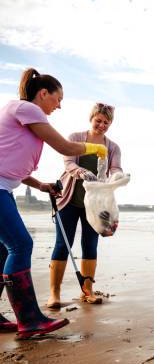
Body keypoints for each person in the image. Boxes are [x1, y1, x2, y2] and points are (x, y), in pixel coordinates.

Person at [0, 68, 107, 338]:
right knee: (21, 244)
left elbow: (14, 167)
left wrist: (41, 185)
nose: (59, 105)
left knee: (3, 250)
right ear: (43, 93)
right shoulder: (27, 108)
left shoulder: (23, 115)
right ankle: (30, 319)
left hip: (5, 187)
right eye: (57, 98)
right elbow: (65, 147)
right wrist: (97, 148)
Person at [46, 103, 122, 308]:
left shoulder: (112, 147)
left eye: (106, 122)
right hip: (69, 199)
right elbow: (69, 163)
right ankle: (54, 293)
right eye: (98, 120)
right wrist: (81, 172)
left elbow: (115, 168)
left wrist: (117, 176)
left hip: (95, 205)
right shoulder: (75, 138)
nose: (102, 125)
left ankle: (86, 291)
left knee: (90, 245)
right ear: (91, 119)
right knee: (63, 244)